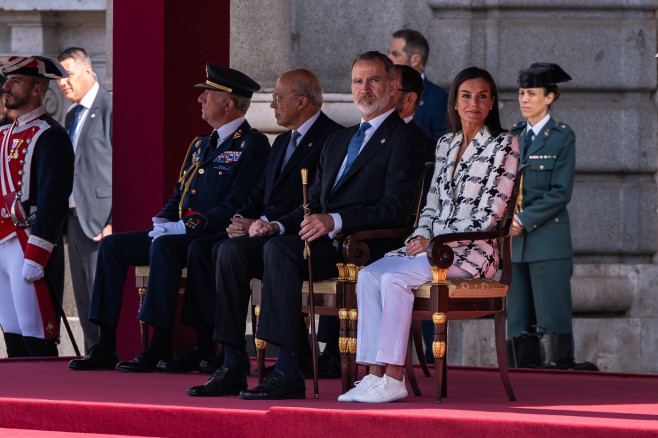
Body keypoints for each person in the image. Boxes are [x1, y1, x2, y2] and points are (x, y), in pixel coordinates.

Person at [186, 51, 424, 400]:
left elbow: (397, 210)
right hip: (319, 239)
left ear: (392, 86)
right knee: (229, 250)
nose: (365, 89)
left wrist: (335, 220)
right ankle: (233, 363)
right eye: (358, 81)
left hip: (362, 245)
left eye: (374, 80)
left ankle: (287, 368)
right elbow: (311, 200)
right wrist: (275, 225)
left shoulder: (405, 140)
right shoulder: (340, 140)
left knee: (281, 252)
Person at [68, 63, 270, 371]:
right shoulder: (201, 143)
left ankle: (159, 344)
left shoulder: (251, 144)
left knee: (165, 248)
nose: (200, 100)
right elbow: (180, 192)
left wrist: (183, 227)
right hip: (180, 231)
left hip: (213, 233)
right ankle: (104, 343)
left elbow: (237, 203)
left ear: (229, 103)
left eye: (208, 94)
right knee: (112, 246)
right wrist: (163, 220)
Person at [339, 66, 520, 403]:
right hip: (432, 248)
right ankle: (373, 374)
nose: (474, 103)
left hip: (471, 253)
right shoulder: (445, 144)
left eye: (482, 96)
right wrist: (418, 237)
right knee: (369, 276)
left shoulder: (504, 144)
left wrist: (434, 240)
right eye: (466, 96)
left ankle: (394, 377)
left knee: (393, 279)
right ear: (454, 103)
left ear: (492, 102)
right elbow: (430, 207)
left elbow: (490, 215)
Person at [156, 69, 342, 375]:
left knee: (255, 252)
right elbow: (259, 193)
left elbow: (317, 200)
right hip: (268, 230)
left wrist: (270, 223)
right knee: (221, 250)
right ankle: (230, 357)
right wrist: (243, 218)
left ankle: (289, 359)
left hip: (307, 235)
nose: (272, 106)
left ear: (302, 101)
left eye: (279, 98)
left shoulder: (332, 138)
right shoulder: (282, 142)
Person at [0, 55, 74, 356]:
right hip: (2, 240)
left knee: (36, 336)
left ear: (37, 89)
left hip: (27, 243)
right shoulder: (3, 135)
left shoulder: (51, 135)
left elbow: (53, 200)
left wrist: (38, 252)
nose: (6, 87)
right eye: (7, 80)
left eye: (15, 81)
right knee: (12, 335)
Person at [507, 63, 578, 368]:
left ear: (549, 97)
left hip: (547, 239)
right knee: (517, 320)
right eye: (522, 92)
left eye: (532, 93)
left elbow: (560, 192)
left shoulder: (561, 137)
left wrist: (523, 219)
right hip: (513, 241)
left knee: (552, 317)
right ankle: (521, 379)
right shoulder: (513, 135)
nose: (524, 99)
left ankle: (558, 381)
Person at [56, 47, 112, 354]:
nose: (63, 82)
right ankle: (93, 353)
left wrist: (115, 219)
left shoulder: (110, 107)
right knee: (83, 294)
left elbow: (123, 168)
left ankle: (108, 351)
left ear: (88, 72)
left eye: (68, 74)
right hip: (75, 218)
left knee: (101, 293)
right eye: (59, 78)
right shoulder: (71, 114)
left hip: (101, 219)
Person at [387, 29, 448, 141]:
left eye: (395, 54)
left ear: (415, 60)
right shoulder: (384, 92)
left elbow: (441, 147)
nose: (388, 58)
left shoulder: (437, 99)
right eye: (389, 53)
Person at [393, 64, 435, 163]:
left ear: (410, 98)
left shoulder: (423, 146)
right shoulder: (361, 132)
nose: (380, 93)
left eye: (391, 88)